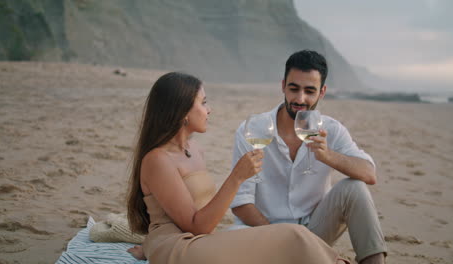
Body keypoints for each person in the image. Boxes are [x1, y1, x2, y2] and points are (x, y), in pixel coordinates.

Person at [126, 72, 349, 263]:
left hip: (200, 243)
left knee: (289, 241)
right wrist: (236, 178)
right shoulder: (158, 160)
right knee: (294, 235)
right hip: (179, 251)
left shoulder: (194, 149)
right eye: (203, 103)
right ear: (183, 111)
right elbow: (196, 226)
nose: (209, 109)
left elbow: (184, 213)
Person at [230, 50, 388, 264]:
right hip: (264, 234)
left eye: (309, 91)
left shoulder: (332, 130)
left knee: (354, 188)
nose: (300, 99)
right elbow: (241, 201)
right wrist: (285, 241)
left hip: (313, 233)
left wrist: (328, 156)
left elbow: (369, 173)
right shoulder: (253, 129)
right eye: (293, 89)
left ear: (322, 92)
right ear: (283, 85)